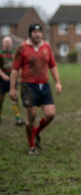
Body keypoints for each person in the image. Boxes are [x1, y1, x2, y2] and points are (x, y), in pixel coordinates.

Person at [9, 23, 62, 156]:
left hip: (44, 85)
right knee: (31, 116)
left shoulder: (47, 46)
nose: (37, 34)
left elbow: (53, 66)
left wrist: (58, 82)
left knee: (50, 114)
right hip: (28, 86)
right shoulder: (22, 48)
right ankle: (31, 147)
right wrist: (12, 89)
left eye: (39, 32)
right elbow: (15, 70)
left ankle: (36, 132)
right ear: (30, 33)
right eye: (35, 32)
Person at [0, 36, 25, 125]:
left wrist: (18, 78)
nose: (7, 44)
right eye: (6, 42)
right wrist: (3, 76)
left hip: (12, 80)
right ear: (3, 43)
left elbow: (18, 67)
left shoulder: (14, 54)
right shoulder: (0, 53)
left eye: (9, 43)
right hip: (2, 80)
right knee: (1, 99)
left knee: (14, 97)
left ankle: (18, 118)